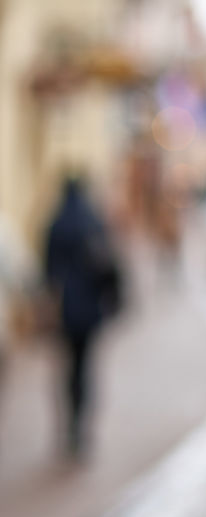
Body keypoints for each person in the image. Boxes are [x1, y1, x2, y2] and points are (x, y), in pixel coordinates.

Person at [45, 174, 122, 457]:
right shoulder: (92, 220)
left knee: (69, 367)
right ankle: (82, 425)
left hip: (66, 309)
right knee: (86, 365)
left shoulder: (56, 223)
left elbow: (48, 270)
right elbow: (108, 263)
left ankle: (70, 425)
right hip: (90, 310)